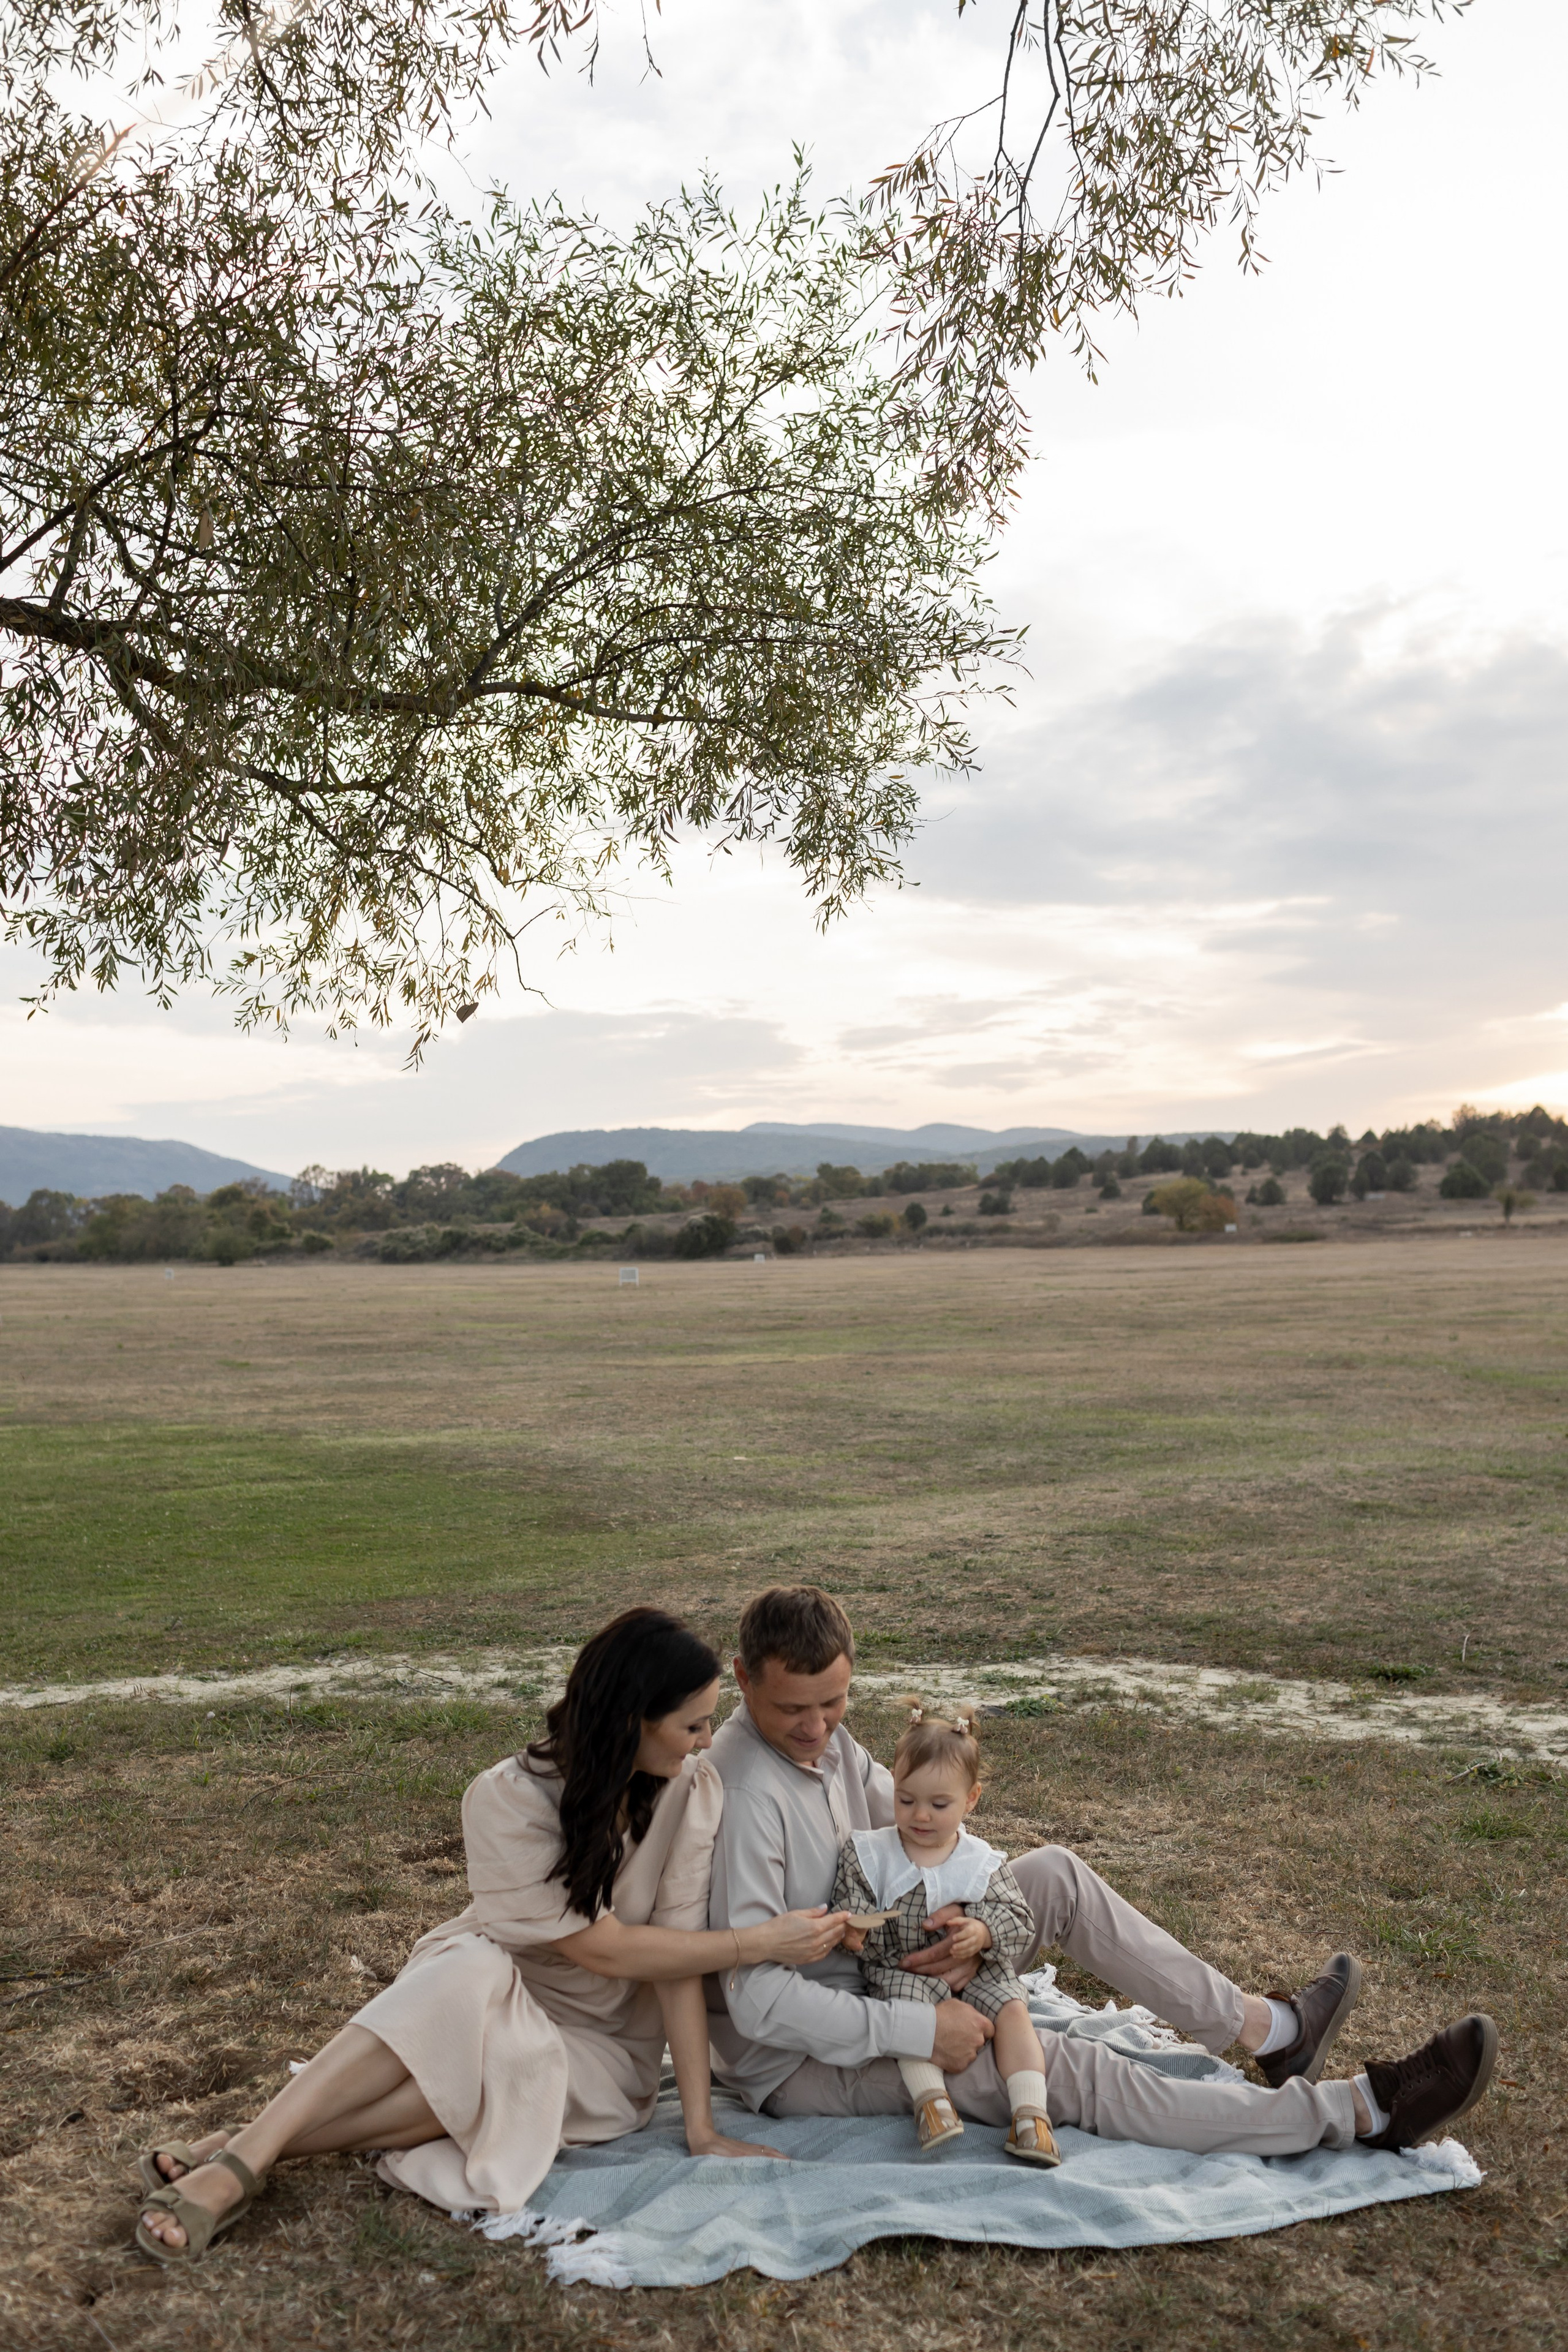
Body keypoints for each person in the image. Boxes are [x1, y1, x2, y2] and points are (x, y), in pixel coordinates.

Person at [135, 1608, 846, 2266]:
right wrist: (756, 1944)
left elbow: (674, 1962)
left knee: (510, 2078)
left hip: (601, 2048)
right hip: (494, 1990)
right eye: (691, 1726)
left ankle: (242, 2151)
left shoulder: (695, 1792)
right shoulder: (507, 1797)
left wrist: (700, 2127)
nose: (704, 1744)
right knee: (467, 1972)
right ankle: (235, 2171)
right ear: (632, 1720)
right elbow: (598, 1950)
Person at [707, 1585, 1498, 2158]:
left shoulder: (825, 1742)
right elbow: (756, 2002)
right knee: (1063, 2066)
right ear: (743, 1680)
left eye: (834, 1703)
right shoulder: (743, 1794)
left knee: (1050, 1875)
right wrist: (921, 2027)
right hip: (812, 2055)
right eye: (793, 1711)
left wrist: (976, 1926)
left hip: (899, 1964)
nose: (817, 1728)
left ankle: (1273, 2031)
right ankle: (1360, 2110)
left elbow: (924, 1834)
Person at [833, 1698, 1060, 2165]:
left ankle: (1031, 2113)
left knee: (1014, 2010)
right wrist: (852, 1925)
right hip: (903, 1969)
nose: (920, 1817)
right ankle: (932, 2103)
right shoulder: (872, 1853)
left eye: (940, 1804)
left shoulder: (978, 1861)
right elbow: (850, 1893)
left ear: (971, 1799)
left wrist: (982, 1931)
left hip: (978, 1972)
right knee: (910, 2016)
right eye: (906, 1800)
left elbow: (1018, 1920)